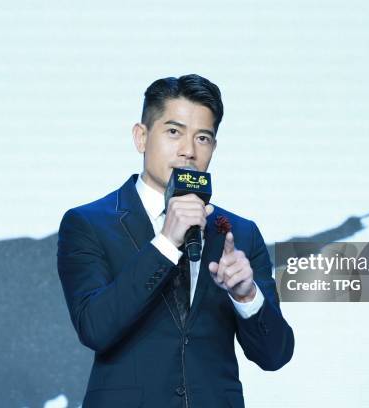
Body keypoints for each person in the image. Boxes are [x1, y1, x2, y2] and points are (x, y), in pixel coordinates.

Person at [57, 74, 294, 408]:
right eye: (173, 132)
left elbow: (276, 355)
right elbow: (95, 327)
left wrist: (247, 296)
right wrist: (166, 243)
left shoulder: (239, 233)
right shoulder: (88, 223)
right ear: (141, 137)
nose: (188, 151)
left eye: (203, 138)